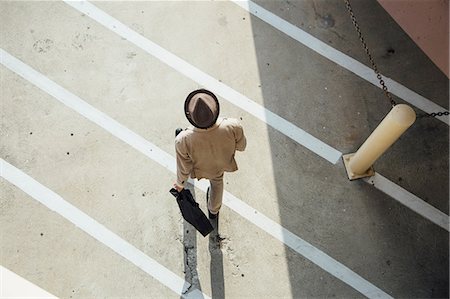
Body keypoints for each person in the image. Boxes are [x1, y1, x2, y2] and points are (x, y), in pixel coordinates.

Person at [173, 89, 247, 219]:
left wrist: (180, 184)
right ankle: (213, 211)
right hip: (220, 165)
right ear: (215, 109)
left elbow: (184, 168)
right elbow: (242, 147)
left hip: (200, 169)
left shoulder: (182, 140)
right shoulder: (233, 126)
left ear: (191, 117)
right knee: (217, 183)